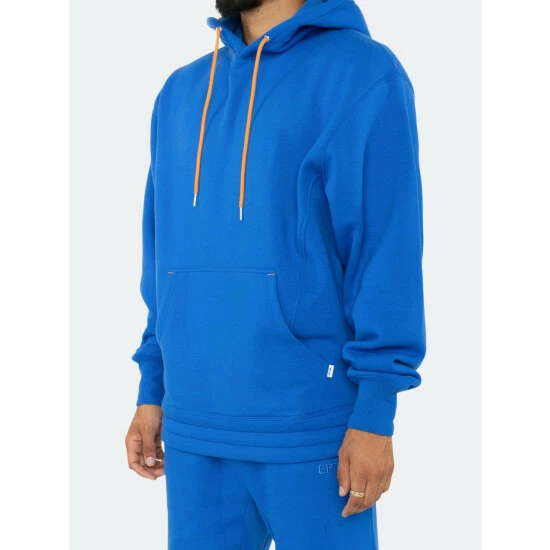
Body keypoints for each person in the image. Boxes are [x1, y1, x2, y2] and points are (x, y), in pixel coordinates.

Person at [125, 0, 426, 547]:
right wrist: (152, 389)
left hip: (310, 430)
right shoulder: (180, 92)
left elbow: (386, 253)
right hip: (193, 428)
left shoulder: (362, 74)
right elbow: (162, 257)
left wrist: (376, 410)